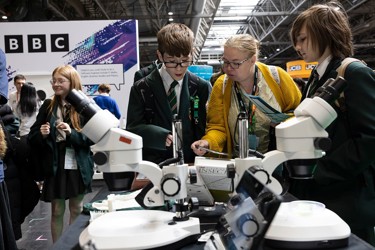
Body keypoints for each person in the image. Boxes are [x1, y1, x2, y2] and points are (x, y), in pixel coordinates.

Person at [289, 1, 375, 246]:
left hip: (348, 198)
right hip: (322, 194)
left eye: (303, 39)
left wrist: (321, 170)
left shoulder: (353, 73)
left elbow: (370, 139)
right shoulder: (315, 77)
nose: (298, 47)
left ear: (324, 33)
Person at [191, 34, 301, 158]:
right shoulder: (221, 85)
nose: (228, 68)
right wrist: (207, 142)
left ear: (252, 60)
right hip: (237, 161)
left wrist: (284, 123)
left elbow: (300, 115)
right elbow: (217, 127)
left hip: (277, 160)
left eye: (235, 63)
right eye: (225, 61)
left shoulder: (277, 77)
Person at [126, 23, 212, 164]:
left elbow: (203, 126)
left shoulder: (201, 86)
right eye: (172, 62)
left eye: (185, 61)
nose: (179, 68)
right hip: (154, 163)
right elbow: (132, 127)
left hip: (191, 162)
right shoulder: (141, 88)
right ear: (160, 55)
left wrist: (204, 144)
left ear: (192, 53)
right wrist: (158, 135)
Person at [28, 65, 94, 242]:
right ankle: (59, 246)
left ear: (72, 82)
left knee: (77, 208)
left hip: (78, 163)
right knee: (57, 210)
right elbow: (32, 136)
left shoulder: (85, 105)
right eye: (53, 81)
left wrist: (72, 133)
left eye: (60, 81)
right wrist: (41, 134)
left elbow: (92, 138)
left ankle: (73, 244)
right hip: (55, 162)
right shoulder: (49, 106)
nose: (56, 84)